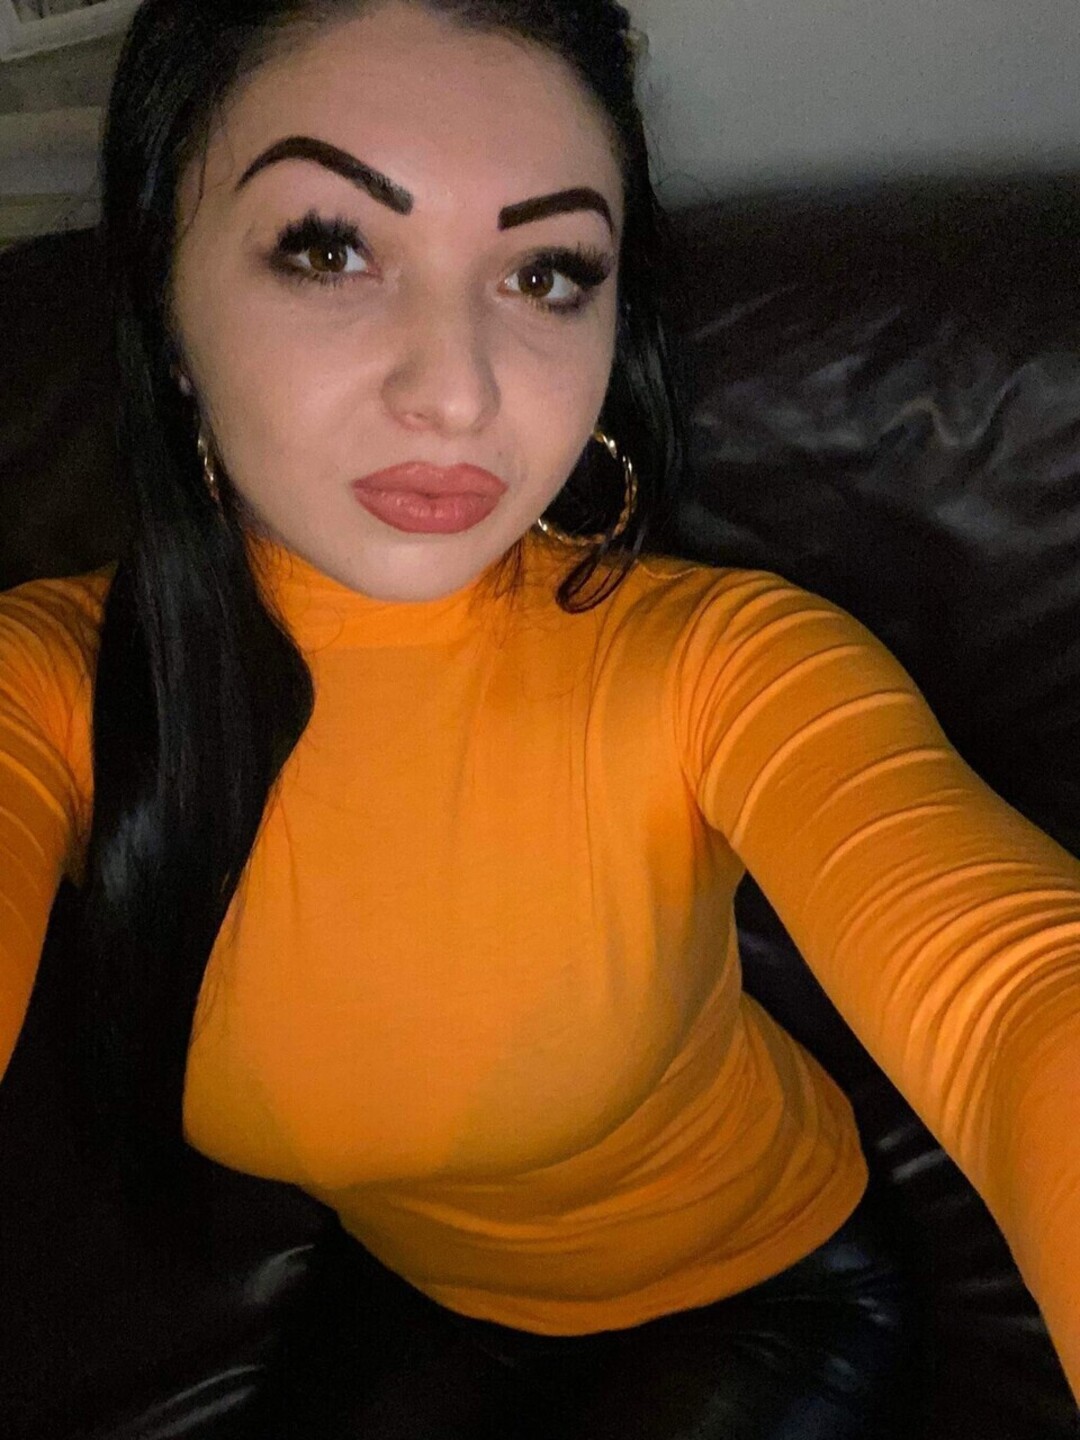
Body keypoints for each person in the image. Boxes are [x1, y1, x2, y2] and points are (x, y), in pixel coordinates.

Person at [0, 1, 1078, 1435]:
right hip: (415, 1290)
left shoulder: (724, 666)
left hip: (762, 1290)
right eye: (329, 248)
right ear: (167, 309)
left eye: (547, 273)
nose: (457, 392)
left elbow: (1018, 999)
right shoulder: (51, 685)